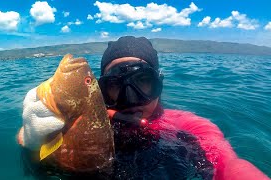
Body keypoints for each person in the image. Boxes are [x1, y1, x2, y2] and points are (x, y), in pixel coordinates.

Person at [98, 36, 269, 180]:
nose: (131, 99)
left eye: (143, 80)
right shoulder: (89, 126)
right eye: (115, 85)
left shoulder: (188, 127)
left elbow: (228, 165)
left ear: (158, 83)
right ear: (103, 92)